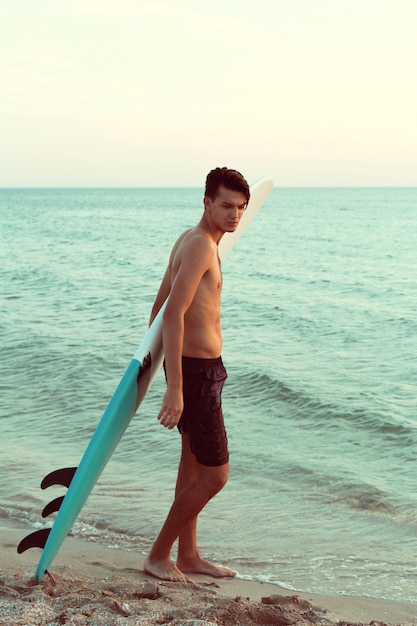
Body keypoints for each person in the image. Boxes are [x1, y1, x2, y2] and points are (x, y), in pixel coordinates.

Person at [143, 167, 250, 584]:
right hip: (197, 372)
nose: (235, 215)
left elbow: (155, 311)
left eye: (240, 207)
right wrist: (175, 387)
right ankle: (157, 555)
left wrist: (159, 366)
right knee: (214, 474)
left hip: (195, 368)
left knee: (190, 465)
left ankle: (188, 555)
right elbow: (172, 312)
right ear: (206, 201)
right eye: (226, 205)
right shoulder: (202, 247)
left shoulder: (188, 239)